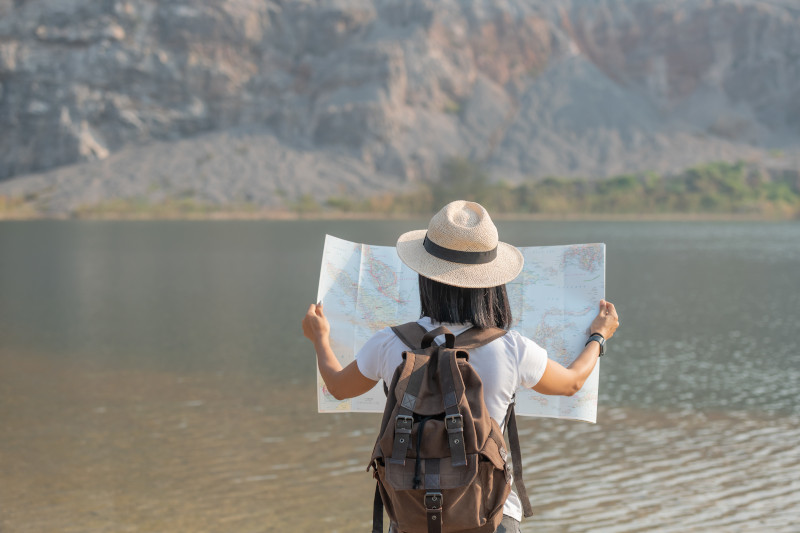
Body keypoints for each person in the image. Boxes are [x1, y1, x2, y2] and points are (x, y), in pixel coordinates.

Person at [302, 200, 620, 533]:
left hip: (411, 515)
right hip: (491, 516)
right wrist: (598, 336)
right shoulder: (511, 348)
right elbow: (571, 383)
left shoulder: (389, 342)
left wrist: (320, 339)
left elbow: (338, 387)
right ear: (492, 284)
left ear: (425, 277)